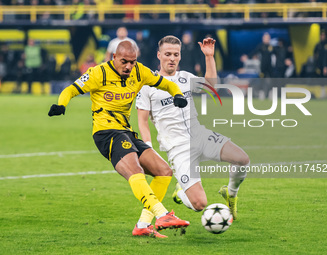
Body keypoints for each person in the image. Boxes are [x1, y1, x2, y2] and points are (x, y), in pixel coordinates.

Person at [48, 41, 190, 238]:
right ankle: (163, 215)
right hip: (106, 132)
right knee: (135, 169)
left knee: (163, 171)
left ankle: (142, 225)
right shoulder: (98, 73)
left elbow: (166, 83)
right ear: (114, 57)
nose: (128, 66)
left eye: (132, 62)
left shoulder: (139, 71)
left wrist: (178, 95)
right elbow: (71, 89)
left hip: (126, 131)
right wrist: (61, 104)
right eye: (124, 61)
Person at [135, 36, 250, 222]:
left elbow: (211, 86)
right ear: (159, 55)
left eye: (176, 54)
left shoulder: (185, 77)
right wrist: (148, 146)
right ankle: (180, 192)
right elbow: (142, 120)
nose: (172, 58)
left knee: (242, 159)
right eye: (167, 54)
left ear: (180, 56)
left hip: (200, 136)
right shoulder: (148, 86)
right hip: (178, 148)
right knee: (199, 204)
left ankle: (231, 193)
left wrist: (209, 57)